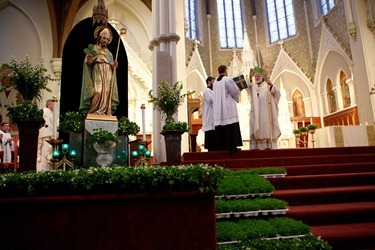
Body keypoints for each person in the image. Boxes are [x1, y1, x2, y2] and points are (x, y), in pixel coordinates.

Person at [79, 26, 119, 116]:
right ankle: (93, 111)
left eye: (107, 39)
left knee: (107, 92)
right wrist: (89, 59)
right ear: (99, 38)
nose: (105, 41)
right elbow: (88, 62)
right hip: (97, 71)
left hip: (107, 73)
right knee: (98, 91)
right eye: (104, 38)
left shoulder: (109, 53)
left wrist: (114, 65)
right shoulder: (93, 49)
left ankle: (105, 111)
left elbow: (112, 64)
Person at [248, 66, 281, 149]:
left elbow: (277, 94)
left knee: (265, 127)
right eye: (255, 77)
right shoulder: (253, 87)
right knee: (255, 127)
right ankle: (256, 147)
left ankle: (268, 145)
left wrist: (271, 85)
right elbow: (248, 88)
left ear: (262, 77)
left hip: (266, 113)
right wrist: (250, 77)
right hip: (255, 113)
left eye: (258, 76)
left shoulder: (267, 86)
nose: (256, 78)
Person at [213, 65, 242, 151]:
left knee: (222, 126)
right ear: (226, 70)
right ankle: (232, 147)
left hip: (219, 109)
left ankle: (223, 146)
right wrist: (239, 89)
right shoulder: (227, 79)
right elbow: (235, 91)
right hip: (227, 108)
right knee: (231, 124)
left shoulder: (215, 82)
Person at [37, 99, 54, 172]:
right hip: (46, 135)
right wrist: (52, 134)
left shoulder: (51, 112)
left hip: (49, 134)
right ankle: (43, 170)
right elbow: (47, 124)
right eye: (53, 105)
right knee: (45, 152)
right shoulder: (46, 111)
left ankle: (48, 170)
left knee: (48, 152)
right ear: (49, 104)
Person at [202, 76, 216, 151]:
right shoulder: (207, 91)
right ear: (209, 82)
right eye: (213, 81)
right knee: (211, 137)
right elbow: (210, 101)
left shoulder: (212, 91)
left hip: (214, 117)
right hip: (210, 116)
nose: (215, 83)